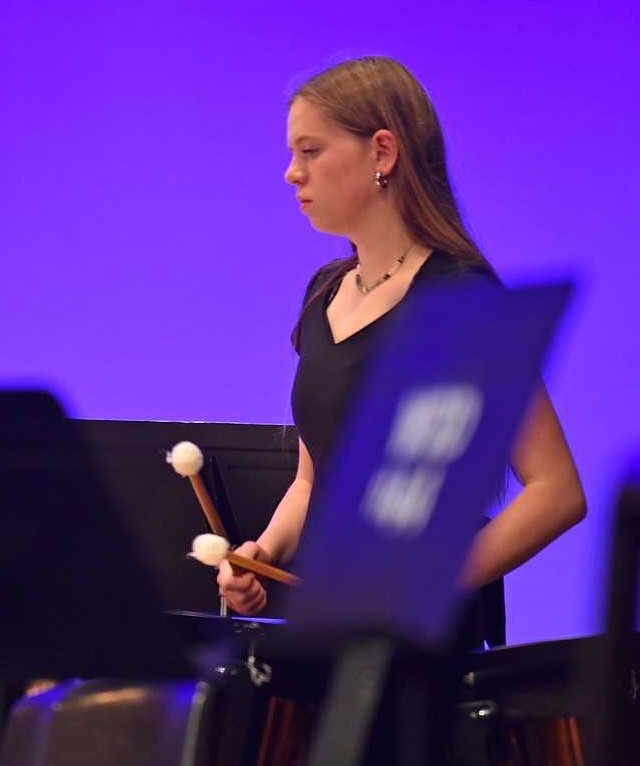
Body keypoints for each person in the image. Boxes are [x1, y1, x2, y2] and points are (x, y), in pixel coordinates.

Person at [217, 56, 586, 628]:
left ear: (382, 153)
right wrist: (263, 554)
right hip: (327, 629)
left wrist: (430, 581)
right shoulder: (324, 292)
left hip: (419, 649)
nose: (292, 172)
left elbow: (557, 491)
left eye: (310, 151)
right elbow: (313, 479)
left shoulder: (460, 299)